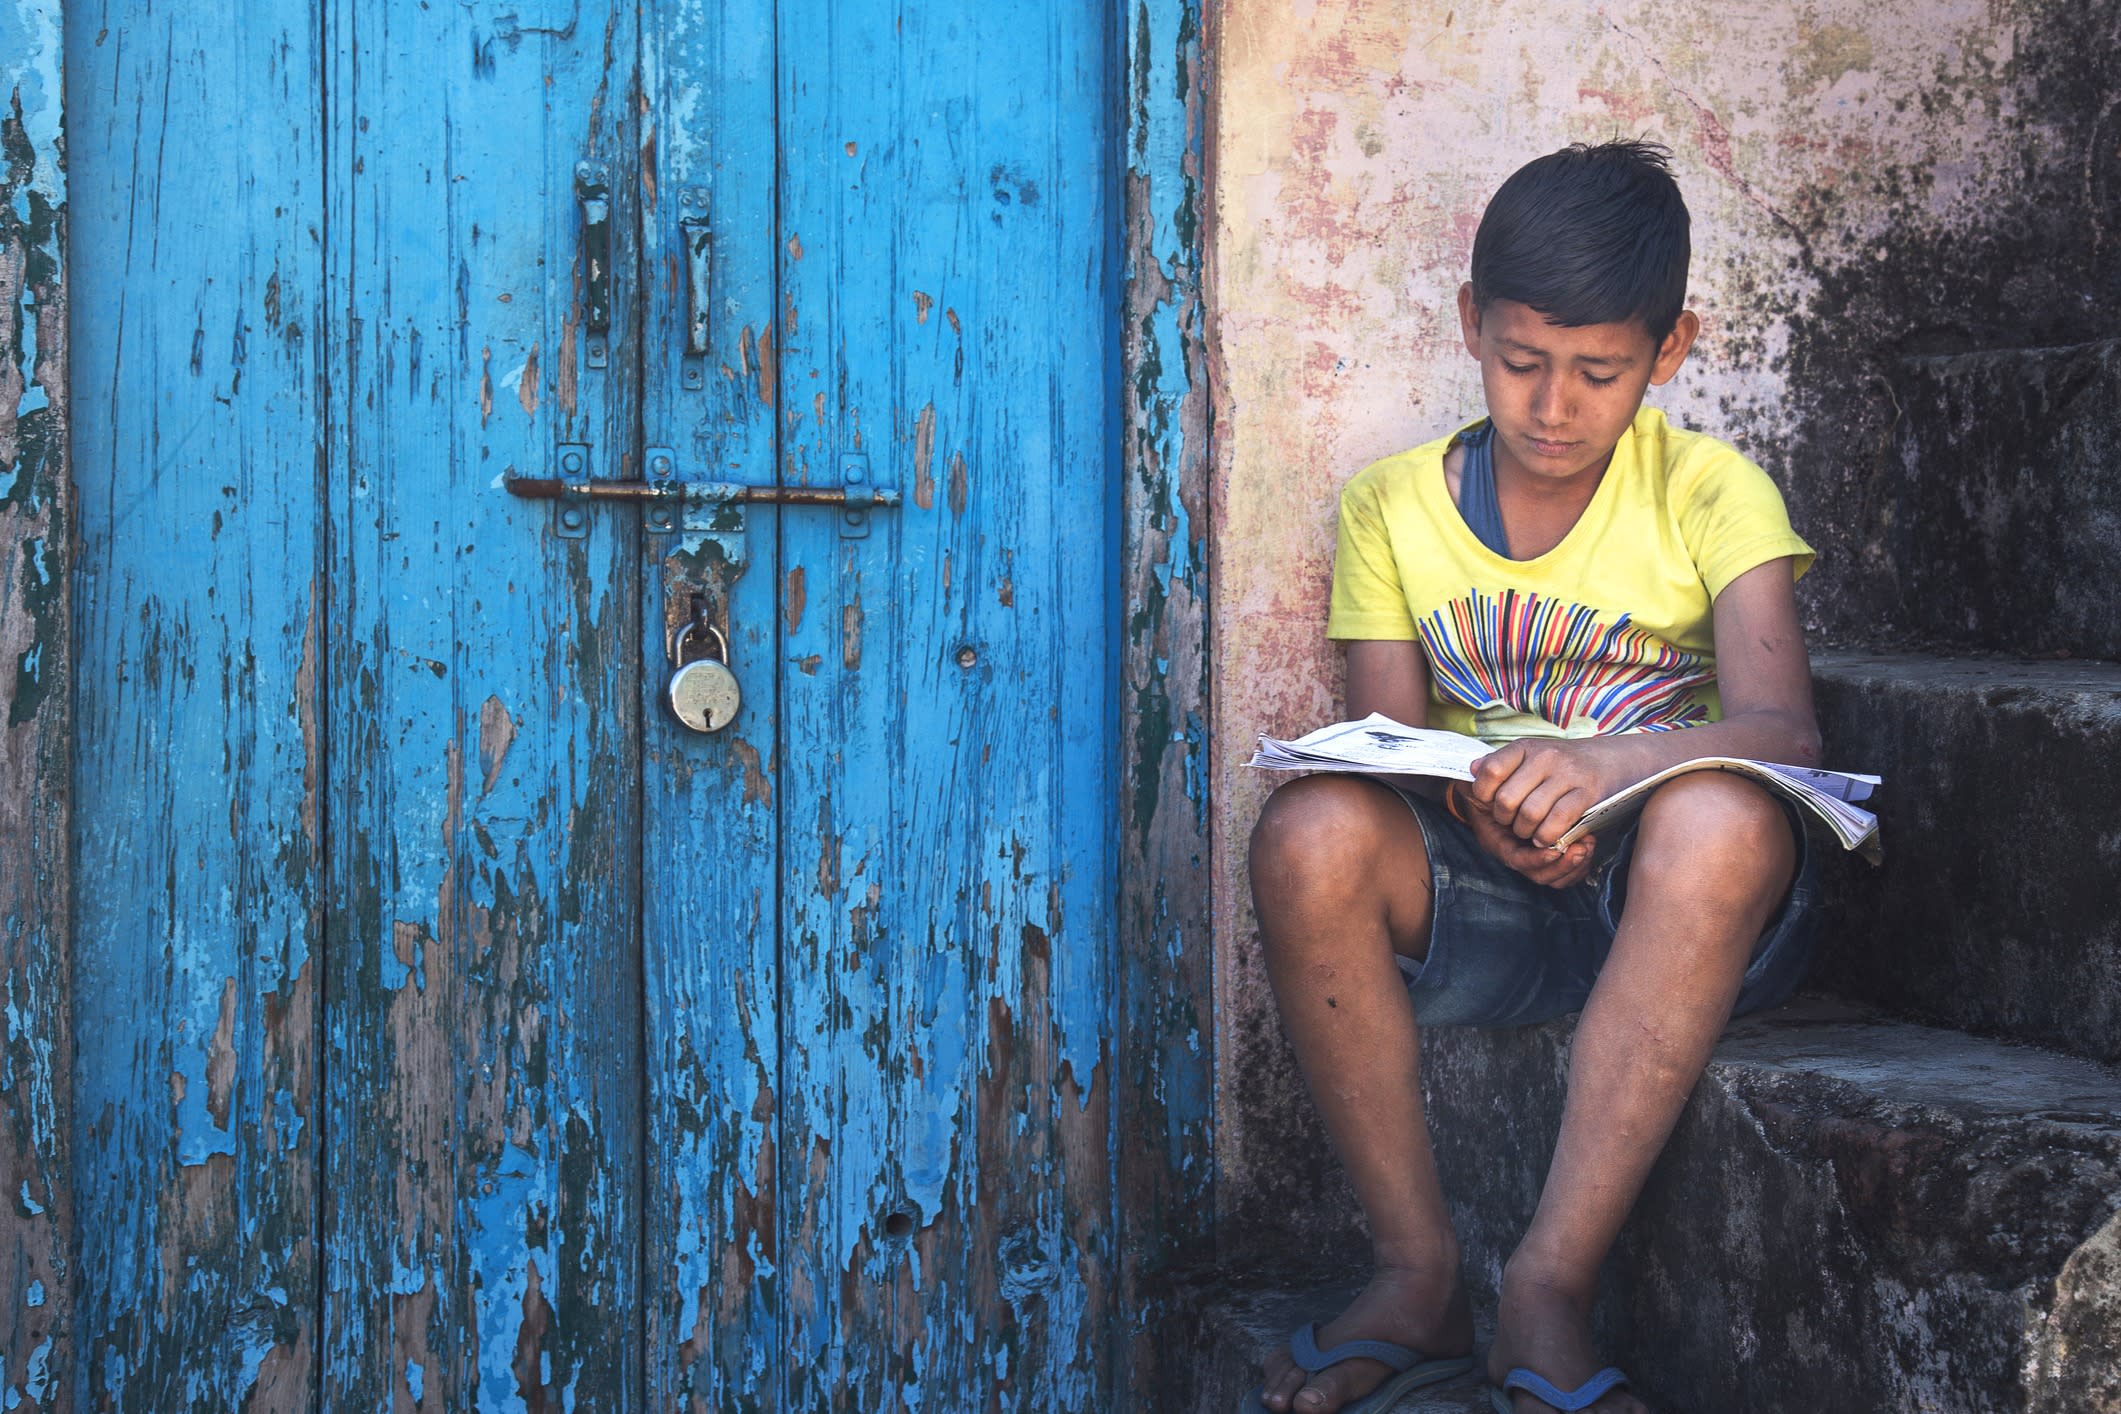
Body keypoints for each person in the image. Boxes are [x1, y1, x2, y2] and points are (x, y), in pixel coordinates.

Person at [1242, 140, 1824, 1414]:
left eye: (1598, 372)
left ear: (1669, 353)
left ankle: (1548, 1288)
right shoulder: (1392, 507)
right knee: (1308, 833)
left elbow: (1786, 729)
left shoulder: (1711, 491)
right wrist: (1487, 814)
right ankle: (1418, 1269)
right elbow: (1388, 752)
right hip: (1497, 897)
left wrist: (1612, 764)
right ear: (1471, 326)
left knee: (1723, 817)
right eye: (1520, 362)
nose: (1553, 406)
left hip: (1680, 903)